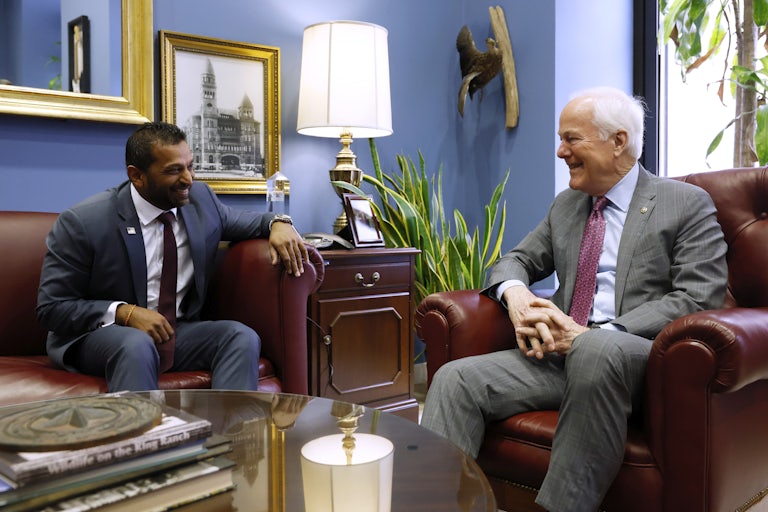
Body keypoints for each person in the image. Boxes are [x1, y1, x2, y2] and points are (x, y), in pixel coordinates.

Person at [420, 87, 728, 512]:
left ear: (618, 141)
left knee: (597, 347)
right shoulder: (567, 205)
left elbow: (696, 297)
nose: (560, 151)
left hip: (640, 360)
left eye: (571, 138)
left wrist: (595, 333)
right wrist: (517, 297)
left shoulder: (685, 204)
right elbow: (516, 260)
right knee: (455, 380)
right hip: (558, 357)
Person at [36, 121, 309, 392]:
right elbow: (52, 308)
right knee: (136, 343)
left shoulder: (200, 200)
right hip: (101, 337)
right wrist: (125, 313)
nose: (188, 179)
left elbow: (249, 221)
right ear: (137, 175)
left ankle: (232, 432)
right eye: (174, 170)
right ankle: (142, 435)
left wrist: (279, 222)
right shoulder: (85, 222)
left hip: (175, 332)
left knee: (240, 337)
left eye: (190, 166)